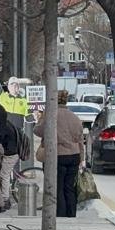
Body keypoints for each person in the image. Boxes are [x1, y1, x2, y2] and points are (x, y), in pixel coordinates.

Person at [35, 90, 84, 218]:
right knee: (70, 187)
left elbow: (38, 131)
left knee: (57, 187)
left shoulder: (50, 115)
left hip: (56, 155)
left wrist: (40, 119)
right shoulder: (75, 117)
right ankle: (71, 214)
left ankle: (60, 215)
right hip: (74, 155)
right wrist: (82, 158)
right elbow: (80, 140)